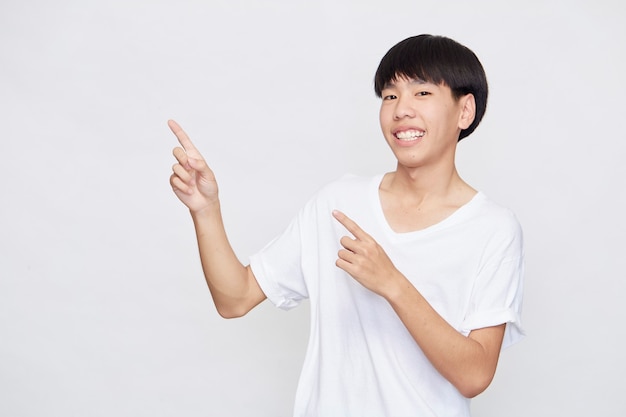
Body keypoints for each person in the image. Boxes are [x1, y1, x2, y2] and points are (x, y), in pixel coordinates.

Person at [169, 34, 524, 417]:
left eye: (421, 93)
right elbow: (234, 298)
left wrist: (393, 284)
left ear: (464, 110)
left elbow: (475, 375)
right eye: (390, 96)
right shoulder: (338, 204)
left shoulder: (492, 228)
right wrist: (205, 209)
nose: (401, 109)